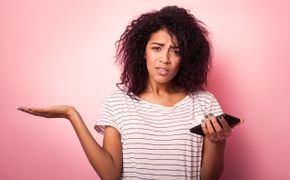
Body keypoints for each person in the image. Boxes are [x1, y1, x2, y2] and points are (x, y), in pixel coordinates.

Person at [18, 5, 243, 180]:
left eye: (175, 51)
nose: (164, 59)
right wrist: (71, 115)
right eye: (157, 48)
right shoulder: (118, 104)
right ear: (142, 52)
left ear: (186, 58)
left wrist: (216, 142)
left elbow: (209, 178)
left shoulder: (203, 103)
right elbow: (110, 174)